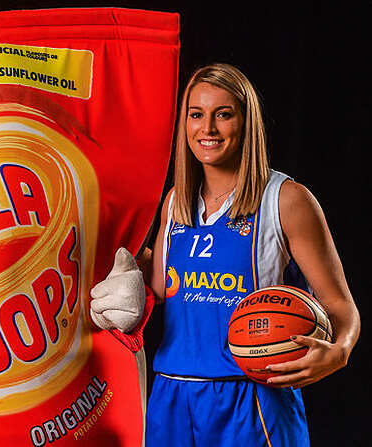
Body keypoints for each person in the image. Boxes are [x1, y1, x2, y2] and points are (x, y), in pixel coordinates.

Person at [145, 63, 360, 446]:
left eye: (223, 115)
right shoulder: (176, 201)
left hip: (252, 396)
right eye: (196, 115)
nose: (207, 129)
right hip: (172, 394)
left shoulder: (287, 200)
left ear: (246, 123)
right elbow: (161, 288)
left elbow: (340, 303)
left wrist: (340, 349)